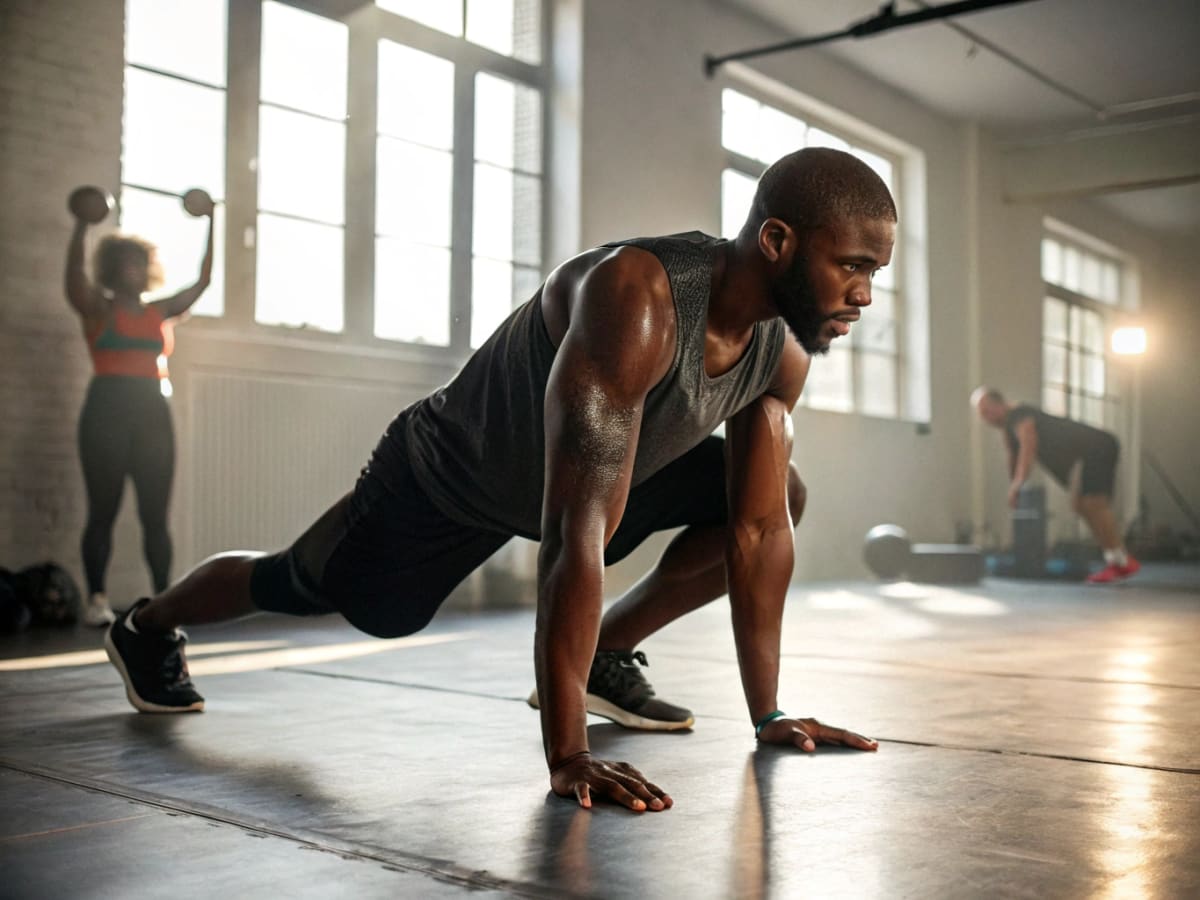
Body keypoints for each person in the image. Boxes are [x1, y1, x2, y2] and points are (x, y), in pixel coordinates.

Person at [105, 148, 895, 811]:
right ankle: (145, 626)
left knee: (778, 492)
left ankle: (608, 655)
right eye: (853, 266)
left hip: (600, 472)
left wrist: (771, 715)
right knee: (312, 587)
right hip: (451, 475)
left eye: (876, 274)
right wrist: (568, 756)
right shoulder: (638, 297)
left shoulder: (780, 352)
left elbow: (756, 531)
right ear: (778, 240)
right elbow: (573, 531)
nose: (863, 295)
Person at [65, 191, 216, 625]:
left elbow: (202, 282)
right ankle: (96, 600)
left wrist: (213, 220)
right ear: (112, 268)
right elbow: (74, 278)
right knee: (103, 509)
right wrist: (81, 225)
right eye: (124, 262)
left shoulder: (159, 311)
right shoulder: (98, 310)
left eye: (138, 262)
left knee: (155, 514)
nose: (132, 269)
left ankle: (165, 599)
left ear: (146, 268)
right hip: (107, 411)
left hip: (153, 412)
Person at [971, 387, 1139, 584]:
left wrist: (1017, 484)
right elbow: (1012, 455)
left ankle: (1122, 562)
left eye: (985, 411)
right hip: (1089, 453)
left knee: (1094, 504)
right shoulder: (1009, 427)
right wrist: (1013, 486)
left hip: (1096, 447)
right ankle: (1116, 560)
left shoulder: (1019, 415)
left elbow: (1028, 445)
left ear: (998, 405)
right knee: (1080, 505)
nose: (984, 418)